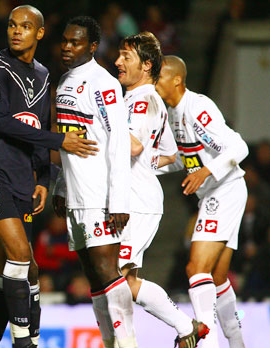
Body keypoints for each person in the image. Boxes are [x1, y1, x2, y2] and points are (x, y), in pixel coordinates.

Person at [0, 6, 98, 348]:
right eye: (11, 25)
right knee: (20, 257)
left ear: (39, 33)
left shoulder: (42, 74)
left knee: (12, 267)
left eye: (25, 26)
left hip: (21, 179)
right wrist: (59, 142)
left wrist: (42, 177)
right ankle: (25, 340)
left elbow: (39, 123)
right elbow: (2, 120)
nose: (16, 31)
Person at [114, 32, 209, 348]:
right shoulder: (138, 99)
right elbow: (173, 155)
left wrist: (99, 125)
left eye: (126, 57)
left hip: (138, 203)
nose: (118, 62)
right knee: (122, 281)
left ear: (146, 65)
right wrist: (144, 166)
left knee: (115, 279)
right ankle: (180, 329)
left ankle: (185, 327)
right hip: (133, 196)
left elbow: (133, 145)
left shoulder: (143, 99)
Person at [52, 16, 135, 348]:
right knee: (95, 277)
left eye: (76, 42)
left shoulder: (103, 83)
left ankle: (128, 342)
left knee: (107, 271)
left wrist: (118, 201)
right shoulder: (65, 80)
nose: (68, 47)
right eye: (65, 41)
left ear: (92, 46)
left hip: (99, 194)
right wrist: (60, 186)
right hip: (75, 194)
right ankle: (110, 342)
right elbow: (65, 140)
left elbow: (117, 142)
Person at [156, 55, 249, 348]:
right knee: (218, 278)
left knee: (196, 268)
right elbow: (183, 158)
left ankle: (205, 341)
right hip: (218, 192)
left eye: (158, 78)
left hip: (225, 189)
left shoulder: (198, 107)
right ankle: (237, 343)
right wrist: (147, 166)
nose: (153, 83)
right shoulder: (172, 113)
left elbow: (238, 146)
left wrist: (207, 172)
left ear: (176, 80)